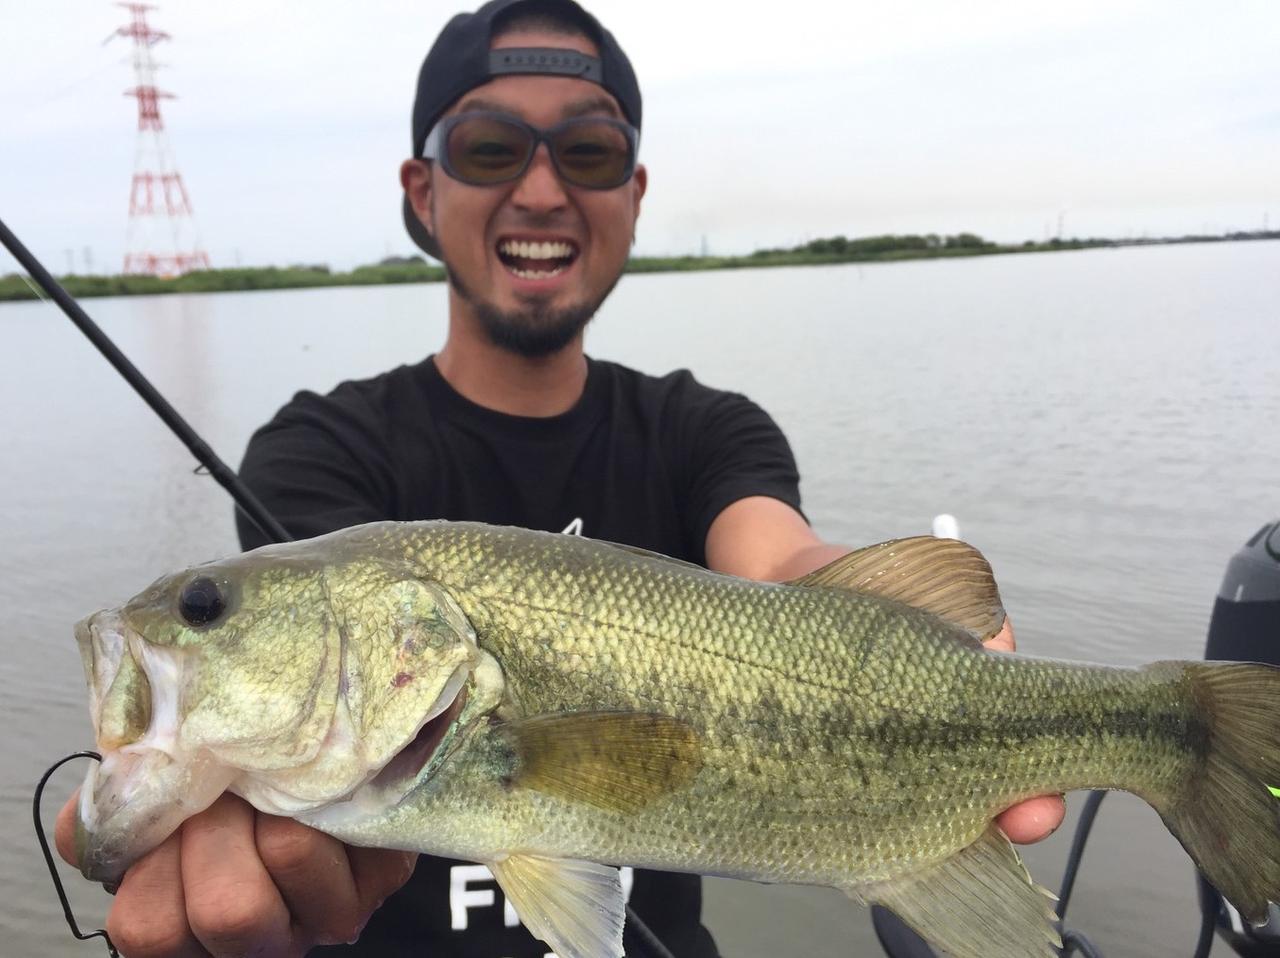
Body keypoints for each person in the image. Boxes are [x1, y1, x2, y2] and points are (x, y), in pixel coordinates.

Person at [57, 1, 1065, 955]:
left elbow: (780, 562)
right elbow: (319, 725)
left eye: (588, 153)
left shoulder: (702, 431)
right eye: (489, 148)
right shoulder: (323, 449)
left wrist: (891, 623)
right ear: (421, 190)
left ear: (632, 195)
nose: (540, 190)